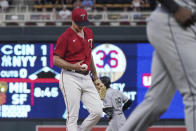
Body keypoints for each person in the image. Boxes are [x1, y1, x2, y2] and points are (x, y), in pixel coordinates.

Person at [120, 0, 196, 131]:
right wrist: (174, 8)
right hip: (176, 18)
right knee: (193, 93)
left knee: (157, 102)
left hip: (184, 22)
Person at [53, 8, 103, 131]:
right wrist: (73, 66)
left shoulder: (89, 33)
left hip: (86, 77)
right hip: (70, 77)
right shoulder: (65, 37)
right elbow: (55, 60)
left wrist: (95, 76)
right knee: (72, 117)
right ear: (72, 20)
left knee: (98, 111)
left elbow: (89, 55)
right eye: (78, 23)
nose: (81, 26)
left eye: (83, 23)